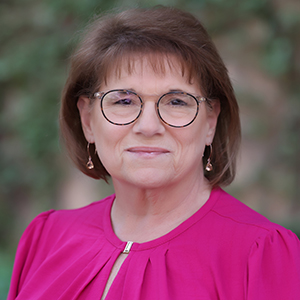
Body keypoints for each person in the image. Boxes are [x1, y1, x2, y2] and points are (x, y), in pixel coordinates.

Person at [8, 6, 300, 300]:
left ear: (210, 121)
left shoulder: (260, 254)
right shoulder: (47, 238)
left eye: (176, 101)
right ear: (88, 121)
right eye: (123, 101)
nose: (148, 126)